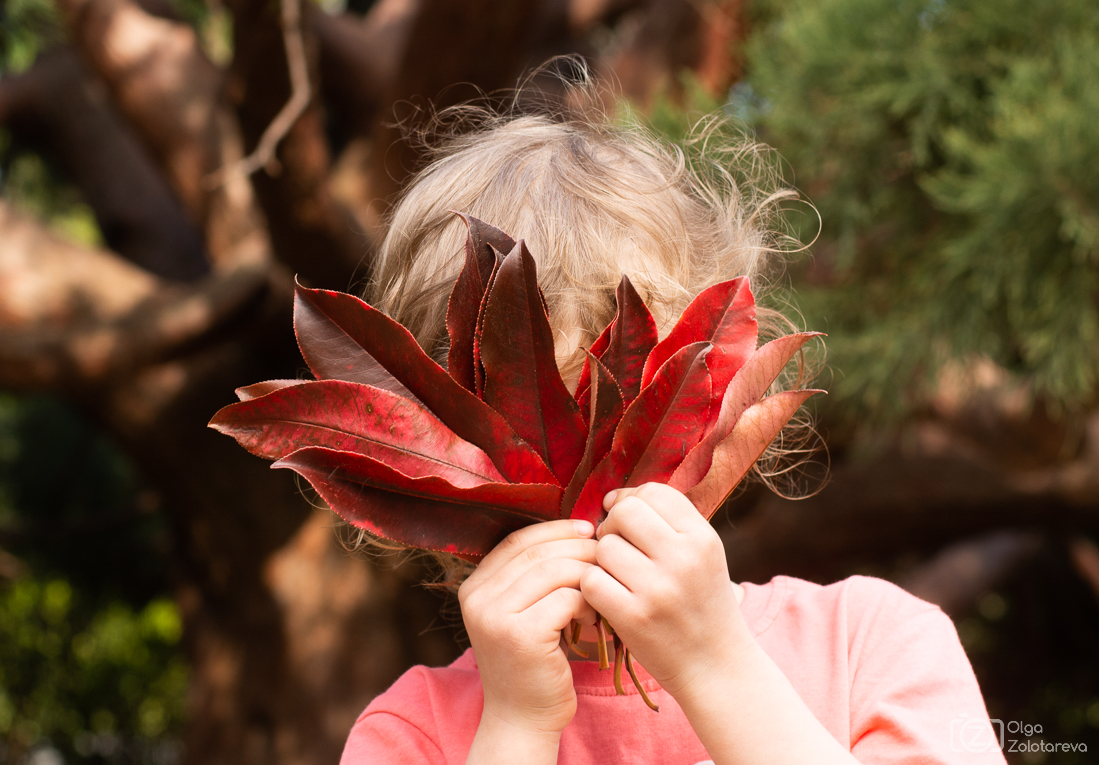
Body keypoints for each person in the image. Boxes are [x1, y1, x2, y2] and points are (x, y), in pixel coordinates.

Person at [342, 99, 1006, 765]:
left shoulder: (869, 645)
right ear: (412, 477)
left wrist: (715, 668)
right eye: (517, 464)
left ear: (713, 401)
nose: (581, 514)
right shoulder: (413, 734)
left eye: (619, 435)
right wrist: (516, 726)